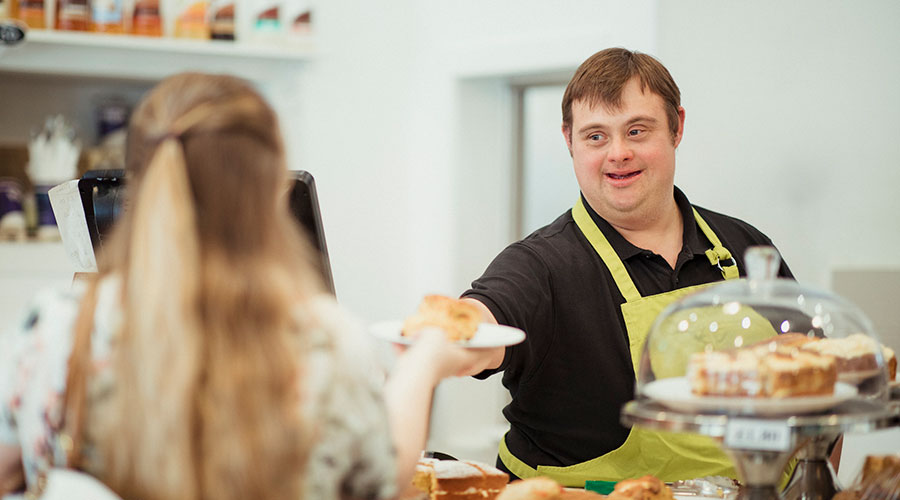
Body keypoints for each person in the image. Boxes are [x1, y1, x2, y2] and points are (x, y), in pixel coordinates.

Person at [0, 73, 483, 500]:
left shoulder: (57, 321)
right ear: (275, 187)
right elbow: (382, 482)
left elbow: (9, 468)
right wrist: (423, 366)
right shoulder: (325, 339)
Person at [457, 48, 795, 485]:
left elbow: (824, 394)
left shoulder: (745, 247)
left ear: (677, 127)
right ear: (569, 141)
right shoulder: (540, 264)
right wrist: (448, 337)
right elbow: (481, 322)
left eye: (637, 131)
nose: (618, 153)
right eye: (596, 136)